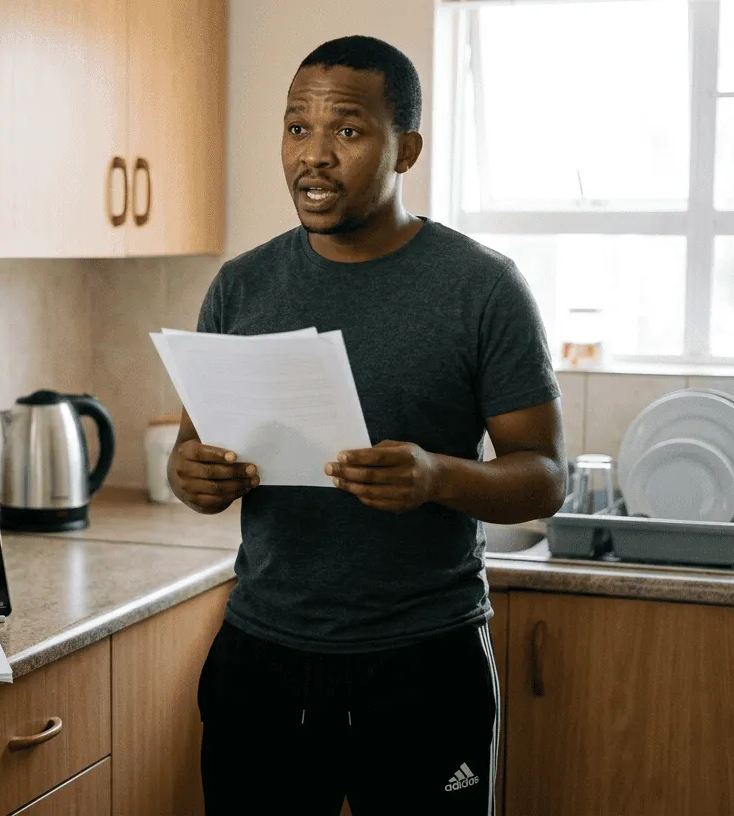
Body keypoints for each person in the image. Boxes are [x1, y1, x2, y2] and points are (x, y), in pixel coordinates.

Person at [170, 36, 566, 814]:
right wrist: (191, 475)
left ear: (405, 149)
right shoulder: (240, 287)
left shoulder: (481, 289)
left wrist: (438, 476)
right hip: (262, 657)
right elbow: (193, 454)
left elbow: (545, 477)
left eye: (346, 132)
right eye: (296, 129)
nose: (313, 157)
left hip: (423, 665)